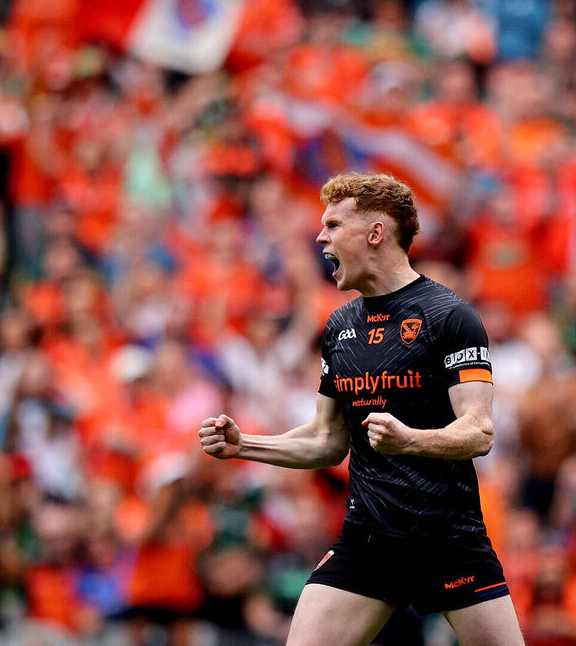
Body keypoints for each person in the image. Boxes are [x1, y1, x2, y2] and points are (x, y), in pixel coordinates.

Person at [198, 173, 525, 646]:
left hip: (446, 538)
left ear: (375, 234)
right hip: (369, 538)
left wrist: (409, 439)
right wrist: (244, 444)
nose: (320, 236)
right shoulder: (339, 327)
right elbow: (328, 441)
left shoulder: (449, 317)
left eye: (333, 224)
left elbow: (479, 432)